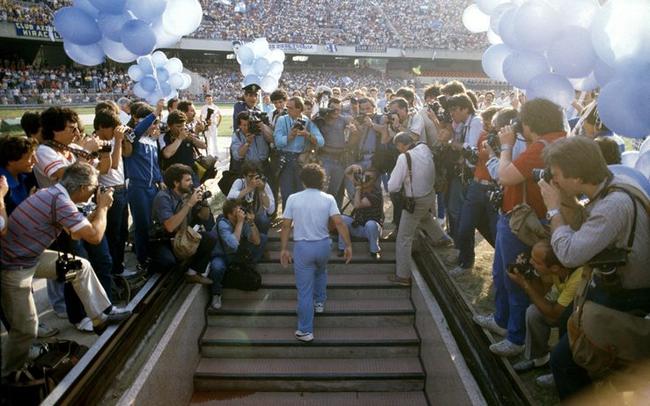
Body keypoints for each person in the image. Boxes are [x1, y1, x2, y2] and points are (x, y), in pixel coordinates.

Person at [538, 136, 650, 401]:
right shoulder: (615, 182)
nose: (554, 181)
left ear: (577, 177)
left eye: (556, 175)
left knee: (563, 361)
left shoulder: (613, 205)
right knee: (568, 326)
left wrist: (553, 210)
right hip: (612, 287)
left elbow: (569, 254)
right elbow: (585, 225)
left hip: (622, 297)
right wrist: (565, 201)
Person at [0, 162, 131, 377]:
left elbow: (76, 232)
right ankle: (9, 372)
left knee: (80, 267)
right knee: (26, 328)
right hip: (13, 267)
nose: (94, 192)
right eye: (93, 188)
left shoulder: (55, 194)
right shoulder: (60, 201)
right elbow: (95, 237)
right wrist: (103, 207)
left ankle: (100, 317)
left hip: (30, 257)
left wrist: (96, 211)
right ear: (81, 188)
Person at [474, 99, 566, 357]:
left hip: (522, 221)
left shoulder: (542, 146)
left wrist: (505, 146)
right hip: (520, 217)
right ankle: (502, 320)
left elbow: (504, 176)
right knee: (502, 273)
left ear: (530, 123)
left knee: (515, 277)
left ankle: (516, 338)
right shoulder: (558, 140)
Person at [280, 164, 352, 342]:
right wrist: (348, 245)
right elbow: (339, 222)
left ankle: (305, 330)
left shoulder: (293, 198)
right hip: (323, 245)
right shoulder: (328, 198)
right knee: (321, 271)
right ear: (322, 181)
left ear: (303, 181)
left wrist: (284, 249)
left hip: (303, 247)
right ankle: (320, 302)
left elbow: (286, 226)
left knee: (304, 291)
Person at [507, 241, 582, 378]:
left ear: (554, 268)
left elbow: (554, 314)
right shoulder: (558, 269)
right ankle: (539, 359)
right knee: (533, 312)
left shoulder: (577, 278)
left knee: (565, 327)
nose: (531, 261)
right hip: (565, 311)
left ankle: (561, 373)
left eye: (536, 261)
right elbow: (542, 294)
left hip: (579, 320)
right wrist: (528, 274)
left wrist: (525, 285)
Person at [386, 133, 450, 286]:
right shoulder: (424, 147)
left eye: (397, 147)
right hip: (430, 194)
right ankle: (442, 238)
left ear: (401, 145)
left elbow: (392, 186)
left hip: (415, 201)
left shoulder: (404, 157)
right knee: (425, 216)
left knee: (403, 238)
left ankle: (403, 276)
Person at [451, 106, 500, 275]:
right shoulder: (483, 136)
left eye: (488, 122)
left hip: (494, 188)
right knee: (465, 226)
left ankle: (500, 270)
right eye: (485, 122)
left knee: (496, 231)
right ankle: (466, 263)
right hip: (477, 185)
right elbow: (474, 160)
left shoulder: (505, 140)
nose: (485, 125)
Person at [150, 164, 216, 284]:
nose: (192, 183)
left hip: (183, 235)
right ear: (176, 183)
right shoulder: (163, 198)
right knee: (168, 262)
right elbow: (170, 227)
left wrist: (203, 202)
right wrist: (189, 204)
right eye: (187, 180)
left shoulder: (188, 194)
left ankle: (192, 273)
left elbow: (205, 217)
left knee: (210, 238)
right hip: (164, 240)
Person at [93, 109, 136, 277]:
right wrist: (117, 140)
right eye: (112, 128)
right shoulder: (96, 142)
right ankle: (113, 271)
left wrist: (123, 139)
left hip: (121, 189)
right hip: (109, 191)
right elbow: (114, 164)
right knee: (113, 234)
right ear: (101, 127)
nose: (114, 132)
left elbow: (128, 153)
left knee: (122, 231)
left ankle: (119, 267)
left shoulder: (112, 139)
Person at [123, 110, 163, 271]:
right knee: (142, 225)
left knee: (153, 223)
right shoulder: (134, 138)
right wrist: (155, 113)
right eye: (152, 123)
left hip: (152, 187)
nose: (154, 126)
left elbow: (155, 165)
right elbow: (138, 130)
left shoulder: (152, 141)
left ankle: (150, 253)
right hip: (138, 188)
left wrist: (160, 180)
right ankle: (142, 258)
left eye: (155, 123)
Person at [209, 199, 263, 310]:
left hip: (235, 255)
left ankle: (248, 267)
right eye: (237, 211)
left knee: (263, 238)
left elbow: (257, 241)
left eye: (241, 209)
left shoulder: (243, 221)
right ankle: (216, 293)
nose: (241, 212)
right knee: (217, 267)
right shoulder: (223, 224)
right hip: (221, 255)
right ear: (229, 214)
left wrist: (251, 223)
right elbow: (233, 244)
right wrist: (240, 222)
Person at [274, 96, 324, 208]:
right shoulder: (282, 120)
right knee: (287, 195)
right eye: (287, 107)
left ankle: (300, 217)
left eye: (290, 108)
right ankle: (287, 218)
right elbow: (277, 142)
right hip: (286, 160)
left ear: (299, 109)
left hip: (301, 161)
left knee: (302, 194)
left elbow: (321, 142)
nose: (287, 110)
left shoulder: (308, 122)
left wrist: (308, 135)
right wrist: (289, 137)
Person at [339, 165, 383, 259]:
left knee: (371, 224)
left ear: (374, 181)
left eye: (369, 178)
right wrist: (354, 167)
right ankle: (342, 249)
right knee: (341, 219)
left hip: (372, 231)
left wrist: (358, 188)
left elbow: (357, 205)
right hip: (359, 226)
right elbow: (347, 173)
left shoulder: (376, 194)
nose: (365, 179)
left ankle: (374, 251)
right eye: (365, 176)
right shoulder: (360, 186)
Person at [315, 97, 352, 206]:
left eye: (338, 109)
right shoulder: (321, 120)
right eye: (333, 109)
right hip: (324, 158)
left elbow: (352, 123)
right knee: (321, 189)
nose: (336, 112)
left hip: (339, 160)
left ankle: (333, 213)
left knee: (334, 191)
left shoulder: (343, 120)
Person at [227, 161, 274, 235]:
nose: (253, 179)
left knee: (264, 220)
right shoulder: (240, 182)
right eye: (251, 176)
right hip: (240, 217)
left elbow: (271, 210)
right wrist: (249, 188)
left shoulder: (263, 184)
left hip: (256, 217)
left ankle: (261, 237)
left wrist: (262, 191)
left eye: (256, 176)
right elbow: (229, 199)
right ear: (244, 176)